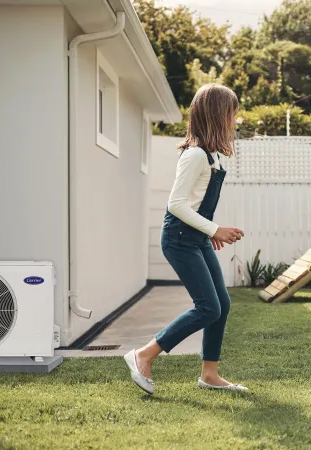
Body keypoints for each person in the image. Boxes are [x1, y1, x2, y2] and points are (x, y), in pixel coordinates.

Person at [124, 84, 248, 394]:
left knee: (222, 303)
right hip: (179, 239)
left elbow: (194, 203)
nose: (236, 120)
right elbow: (176, 204)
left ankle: (209, 374)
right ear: (218, 115)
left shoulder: (212, 156)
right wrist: (213, 228)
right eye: (232, 113)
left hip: (196, 238)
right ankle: (143, 355)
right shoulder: (195, 155)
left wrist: (209, 230)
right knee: (208, 307)